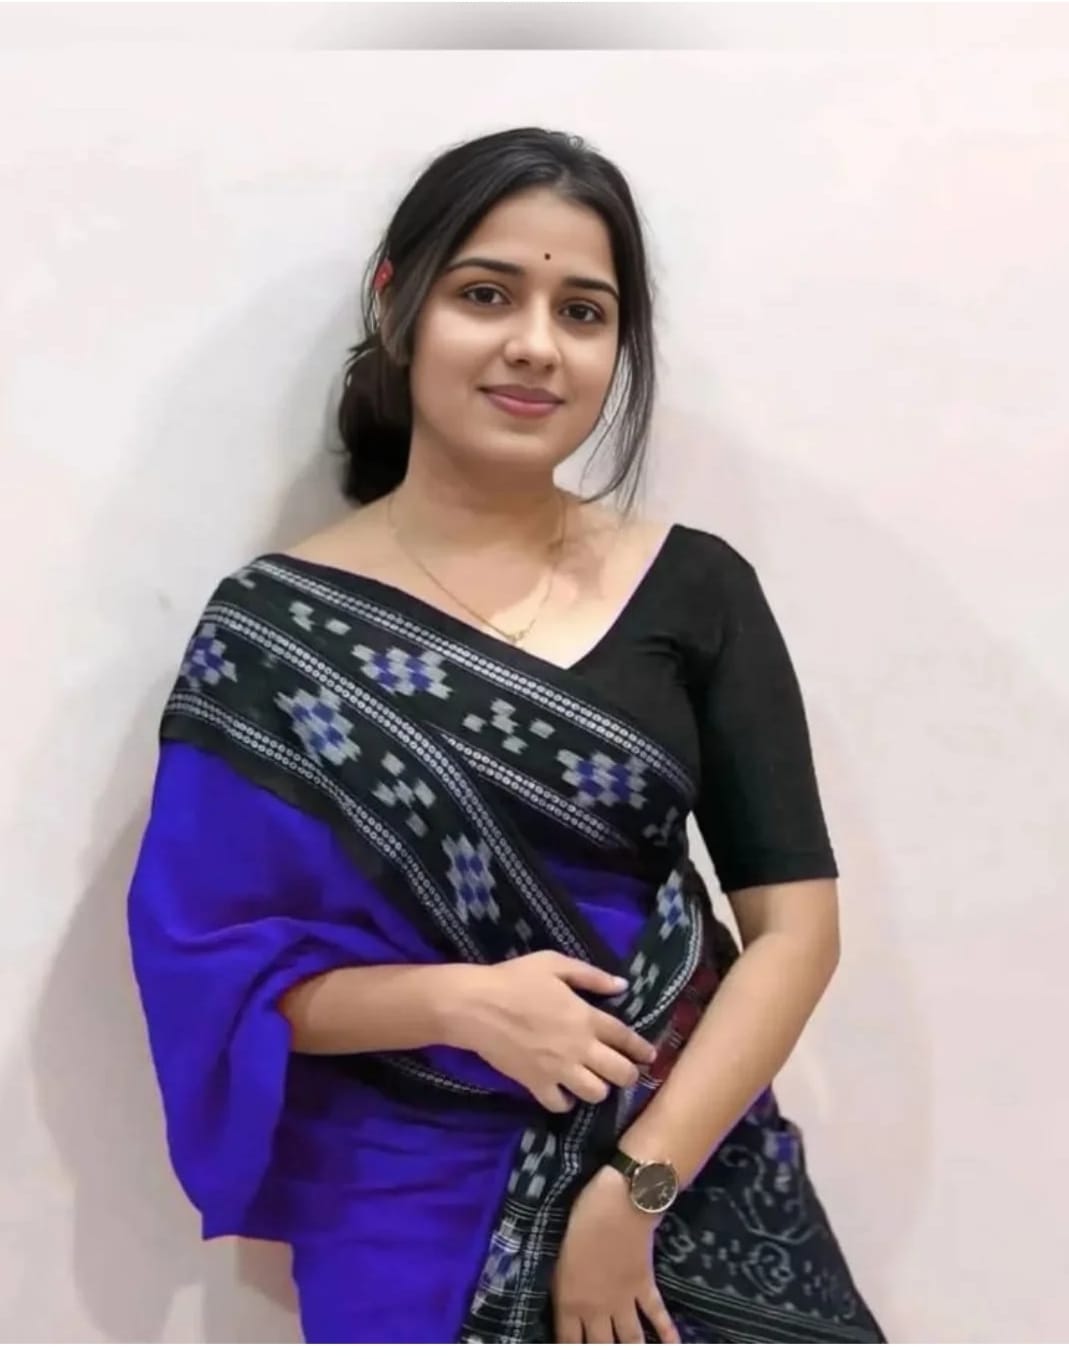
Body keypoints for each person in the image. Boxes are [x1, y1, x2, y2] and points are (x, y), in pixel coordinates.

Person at [127, 126, 885, 1344]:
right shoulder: (274, 635)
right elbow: (215, 971)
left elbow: (796, 931)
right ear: (397, 304)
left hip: (684, 1169)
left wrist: (631, 1192)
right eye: (486, 294)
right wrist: (459, 1004)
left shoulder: (695, 588)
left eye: (582, 312)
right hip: (401, 1204)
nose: (536, 344)